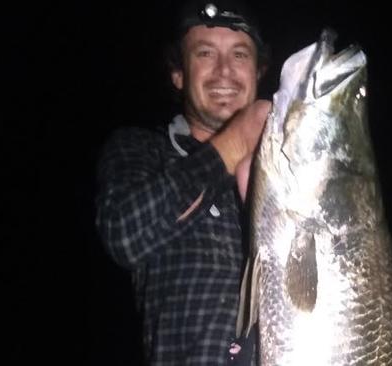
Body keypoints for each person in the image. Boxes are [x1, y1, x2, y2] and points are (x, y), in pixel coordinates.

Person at [95, 0, 271, 364]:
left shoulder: (291, 170)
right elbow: (126, 234)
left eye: (240, 55)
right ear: (179, 74)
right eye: (205, 53)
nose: (224, 71)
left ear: (258, 72)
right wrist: (236, 141)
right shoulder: (142, 150)